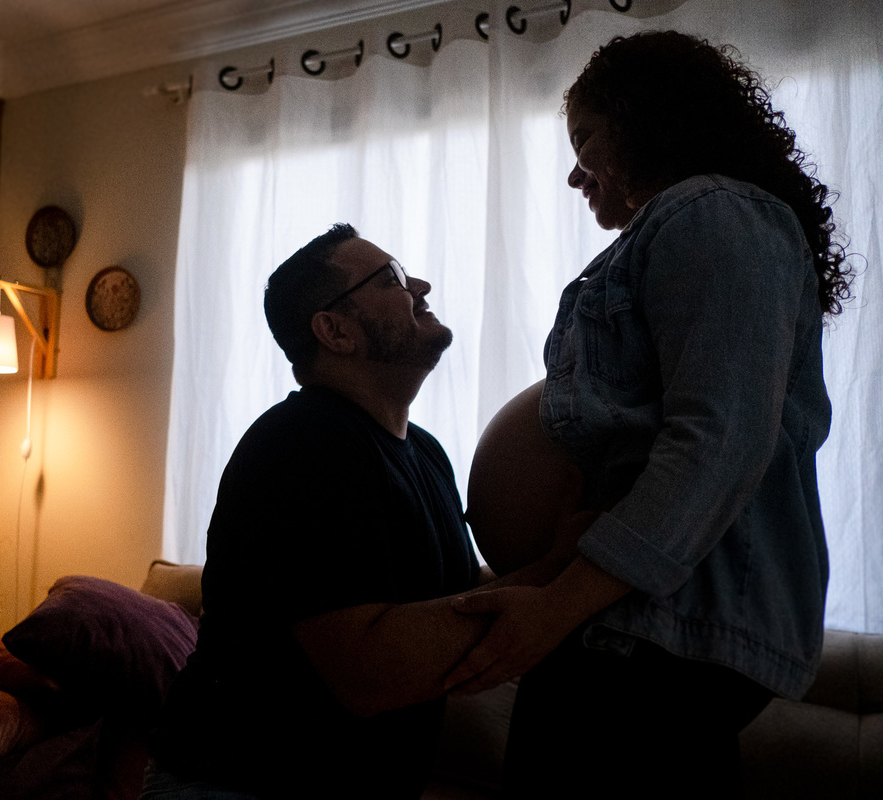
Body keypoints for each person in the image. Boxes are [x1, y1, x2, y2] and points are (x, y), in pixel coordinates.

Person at [446, 31, 855, 798]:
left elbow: (718, 440)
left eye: (585, 140)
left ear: (643, 121)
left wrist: (556, 608)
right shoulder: (691, 224)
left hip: (656, 631)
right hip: (632, 624)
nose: (575, 172)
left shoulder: (713, 211)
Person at [143, 224, 494, 799]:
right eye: (393, 279)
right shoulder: (301, 444)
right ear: (335, 330)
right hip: (236, 784)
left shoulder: (425, 451)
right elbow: (368, 673)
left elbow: (458, 597)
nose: (421, 287)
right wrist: (555, 587)